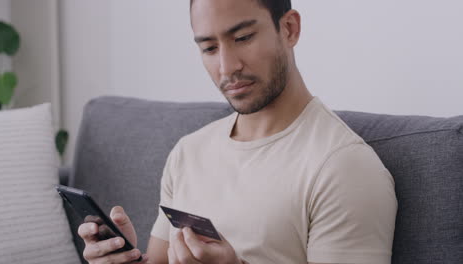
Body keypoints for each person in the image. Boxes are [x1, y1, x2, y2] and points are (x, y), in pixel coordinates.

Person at [78, 0, 398, 263]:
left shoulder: (344, 167)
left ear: (289, 29)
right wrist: (124, 258)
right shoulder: (189, 152)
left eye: (243, 37)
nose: (227, 67)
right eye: (209, 48)